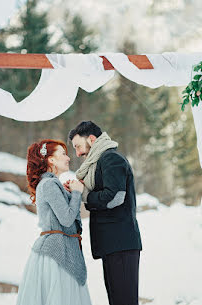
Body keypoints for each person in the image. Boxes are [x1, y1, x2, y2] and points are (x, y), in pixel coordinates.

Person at [67, 121, 142, 305]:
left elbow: (115, 197)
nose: (77, 153)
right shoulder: (100, 162)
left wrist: (84, 195)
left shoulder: (111, 159)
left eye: (78, 146)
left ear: (92, 140)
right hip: (113, 245)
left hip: (121, 244)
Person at [16, 139, 92, 305]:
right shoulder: (49, 184)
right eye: (63, 154)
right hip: (56, 253)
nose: (68, 158)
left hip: (61, 249)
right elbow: (66, 219)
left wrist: (70, 194)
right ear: (51, 159)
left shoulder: (52, 184)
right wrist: (77, 194)